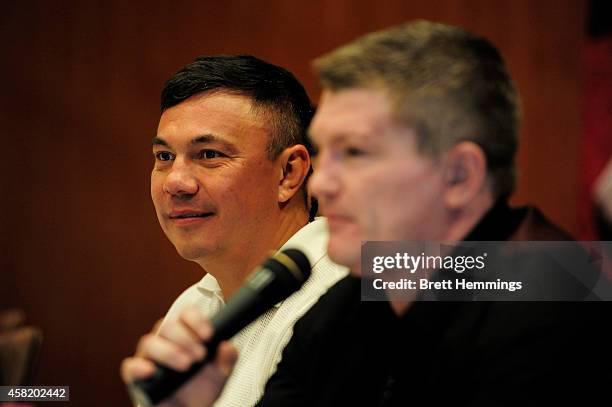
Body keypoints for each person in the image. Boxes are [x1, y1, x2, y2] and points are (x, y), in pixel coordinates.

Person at [123, 22, 610, 406]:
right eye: (325, 152)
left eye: (354, 153)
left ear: (459, 176)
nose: (323, 181)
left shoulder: (560, 295)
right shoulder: (352, 304)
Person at [120, 55, 346, 407]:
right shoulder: (191, 309)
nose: (176, 182)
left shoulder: (360, 285)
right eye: (164, 157)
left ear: (288, 173)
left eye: (209, 154)